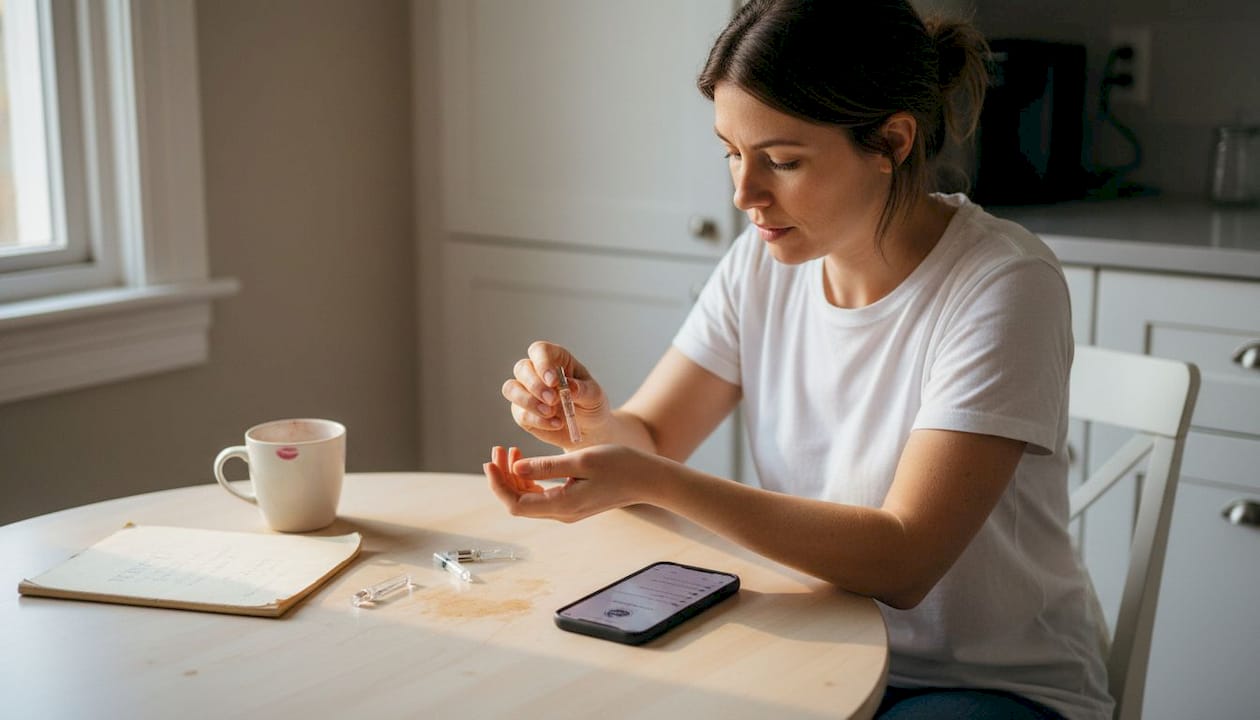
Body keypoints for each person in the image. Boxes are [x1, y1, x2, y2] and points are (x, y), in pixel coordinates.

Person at [483, 1, 1112, 718]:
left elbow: (903, 560)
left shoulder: (1003, 285)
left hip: (980, 682)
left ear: (893, 141)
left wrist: (655, 481)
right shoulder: (762, 261)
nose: (744, 194)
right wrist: (591, 424)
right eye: (731, 151)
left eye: (781, 160)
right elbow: (652, 438)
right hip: (814, 645)